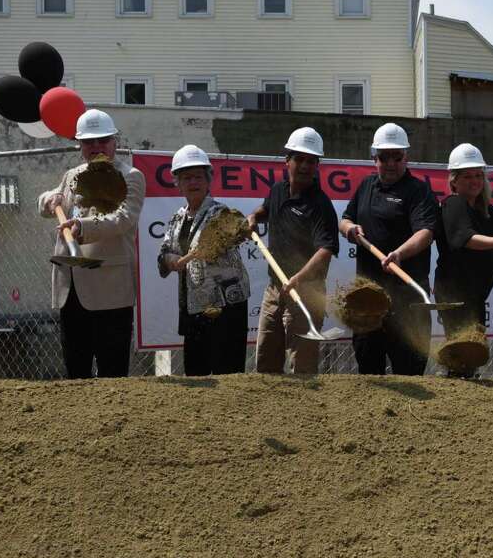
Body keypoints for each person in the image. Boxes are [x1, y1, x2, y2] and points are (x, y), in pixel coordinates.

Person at [38, 109, 144, 379]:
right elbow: (51, 200)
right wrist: (49, 198)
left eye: (102, 140)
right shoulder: (72, 174)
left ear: (114, 142)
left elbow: (124, 218)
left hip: (109, 287)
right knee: (75, 369)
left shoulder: (130, 175)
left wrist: (83, 227)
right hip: (70, 287)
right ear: (80, 145)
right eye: (89, 142)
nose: (96, 147)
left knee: (112, 370)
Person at [339, 122, 440, 376]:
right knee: (369, 372)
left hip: (406, 301)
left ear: (406, 157)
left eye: (397, 157)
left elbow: (425, 234)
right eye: (384, 157)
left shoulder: (418, 191)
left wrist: (399, 254)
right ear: (375, 158)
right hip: (368, 300)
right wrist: (350, 228)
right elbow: (344, 219)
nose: (391, 163)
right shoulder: (366, 187)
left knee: (410, 373)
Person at [248, 127, 340, 374]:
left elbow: (326, 250)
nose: (304, 166)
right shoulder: (278, 190)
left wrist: (299, 278)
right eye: (299, 159)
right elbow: (267, 210)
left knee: (302, 367)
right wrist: (254, 217)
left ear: (317, 165)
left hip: (306, 293)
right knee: (266, 360)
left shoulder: (321, 205)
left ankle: (306, 411)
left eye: (311, 161)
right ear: (287, 160)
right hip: (274, 289)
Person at [157, 145, 250, 376]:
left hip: (225, 307)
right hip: (193, 308)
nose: (193, 182)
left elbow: (236, 232)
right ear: (177, 183)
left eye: (198, 176)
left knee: (227, 372)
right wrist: (171, 260)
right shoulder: (176, 219)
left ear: (209, 180)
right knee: (196, 374)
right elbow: (164, 253)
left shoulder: (221, 214)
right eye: (186, 177)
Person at [434, 144, 493, 374]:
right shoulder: (453, 204)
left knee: (472, 355)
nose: (474, 181)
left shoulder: (482, 207)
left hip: (474, 295)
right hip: (456, 295)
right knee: (462, 355)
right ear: (453, 181)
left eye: (478, 175)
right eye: (467, 176)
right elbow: (467, 239)